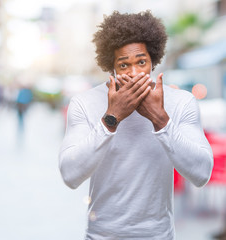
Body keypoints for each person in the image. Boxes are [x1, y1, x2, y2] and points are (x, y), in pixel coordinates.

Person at [58, 11, 213, 239]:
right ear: (111, 67)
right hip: (102, 235)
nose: (134, 73)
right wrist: (111, 118)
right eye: (123, 65)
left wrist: (160, 120)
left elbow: (201, 174)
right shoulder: (84, 103)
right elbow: (70, 175)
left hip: (158, 235)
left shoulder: (181, 102)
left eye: (141, 62)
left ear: (153, 62)